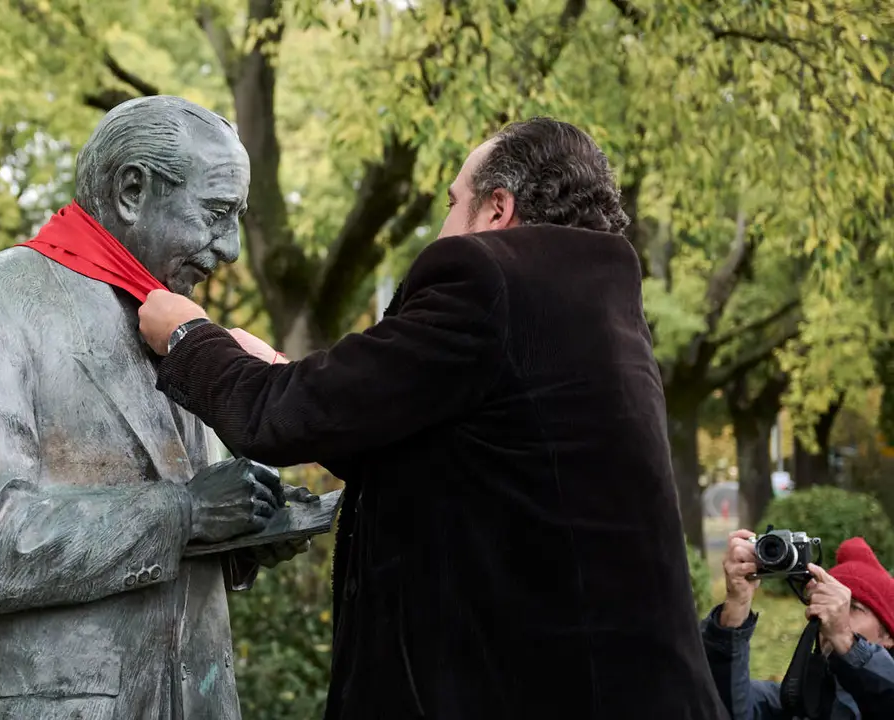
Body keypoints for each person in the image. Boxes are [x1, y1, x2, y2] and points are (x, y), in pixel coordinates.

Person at [138, 117, 727, 718]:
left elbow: (280, 421)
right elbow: (417, 435)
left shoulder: (486, 279)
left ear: (497, 208)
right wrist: (276, 369)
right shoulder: (590, 305)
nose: (441, 230)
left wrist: (188, 337)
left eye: (451, 204)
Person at [0, 95, 310, 720]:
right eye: (216, 214)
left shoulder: (175, 320)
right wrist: (187, 513)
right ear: (131, 191)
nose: (231, 247)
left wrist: (248, 527)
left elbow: (199, 513)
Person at [703, 532, 894, 718]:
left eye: (852, 607)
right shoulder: (796, 699)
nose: (833, 612)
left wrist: (845, 639)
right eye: (825, 602)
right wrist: (736, 608)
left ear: (888, 636)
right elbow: (721, 706)